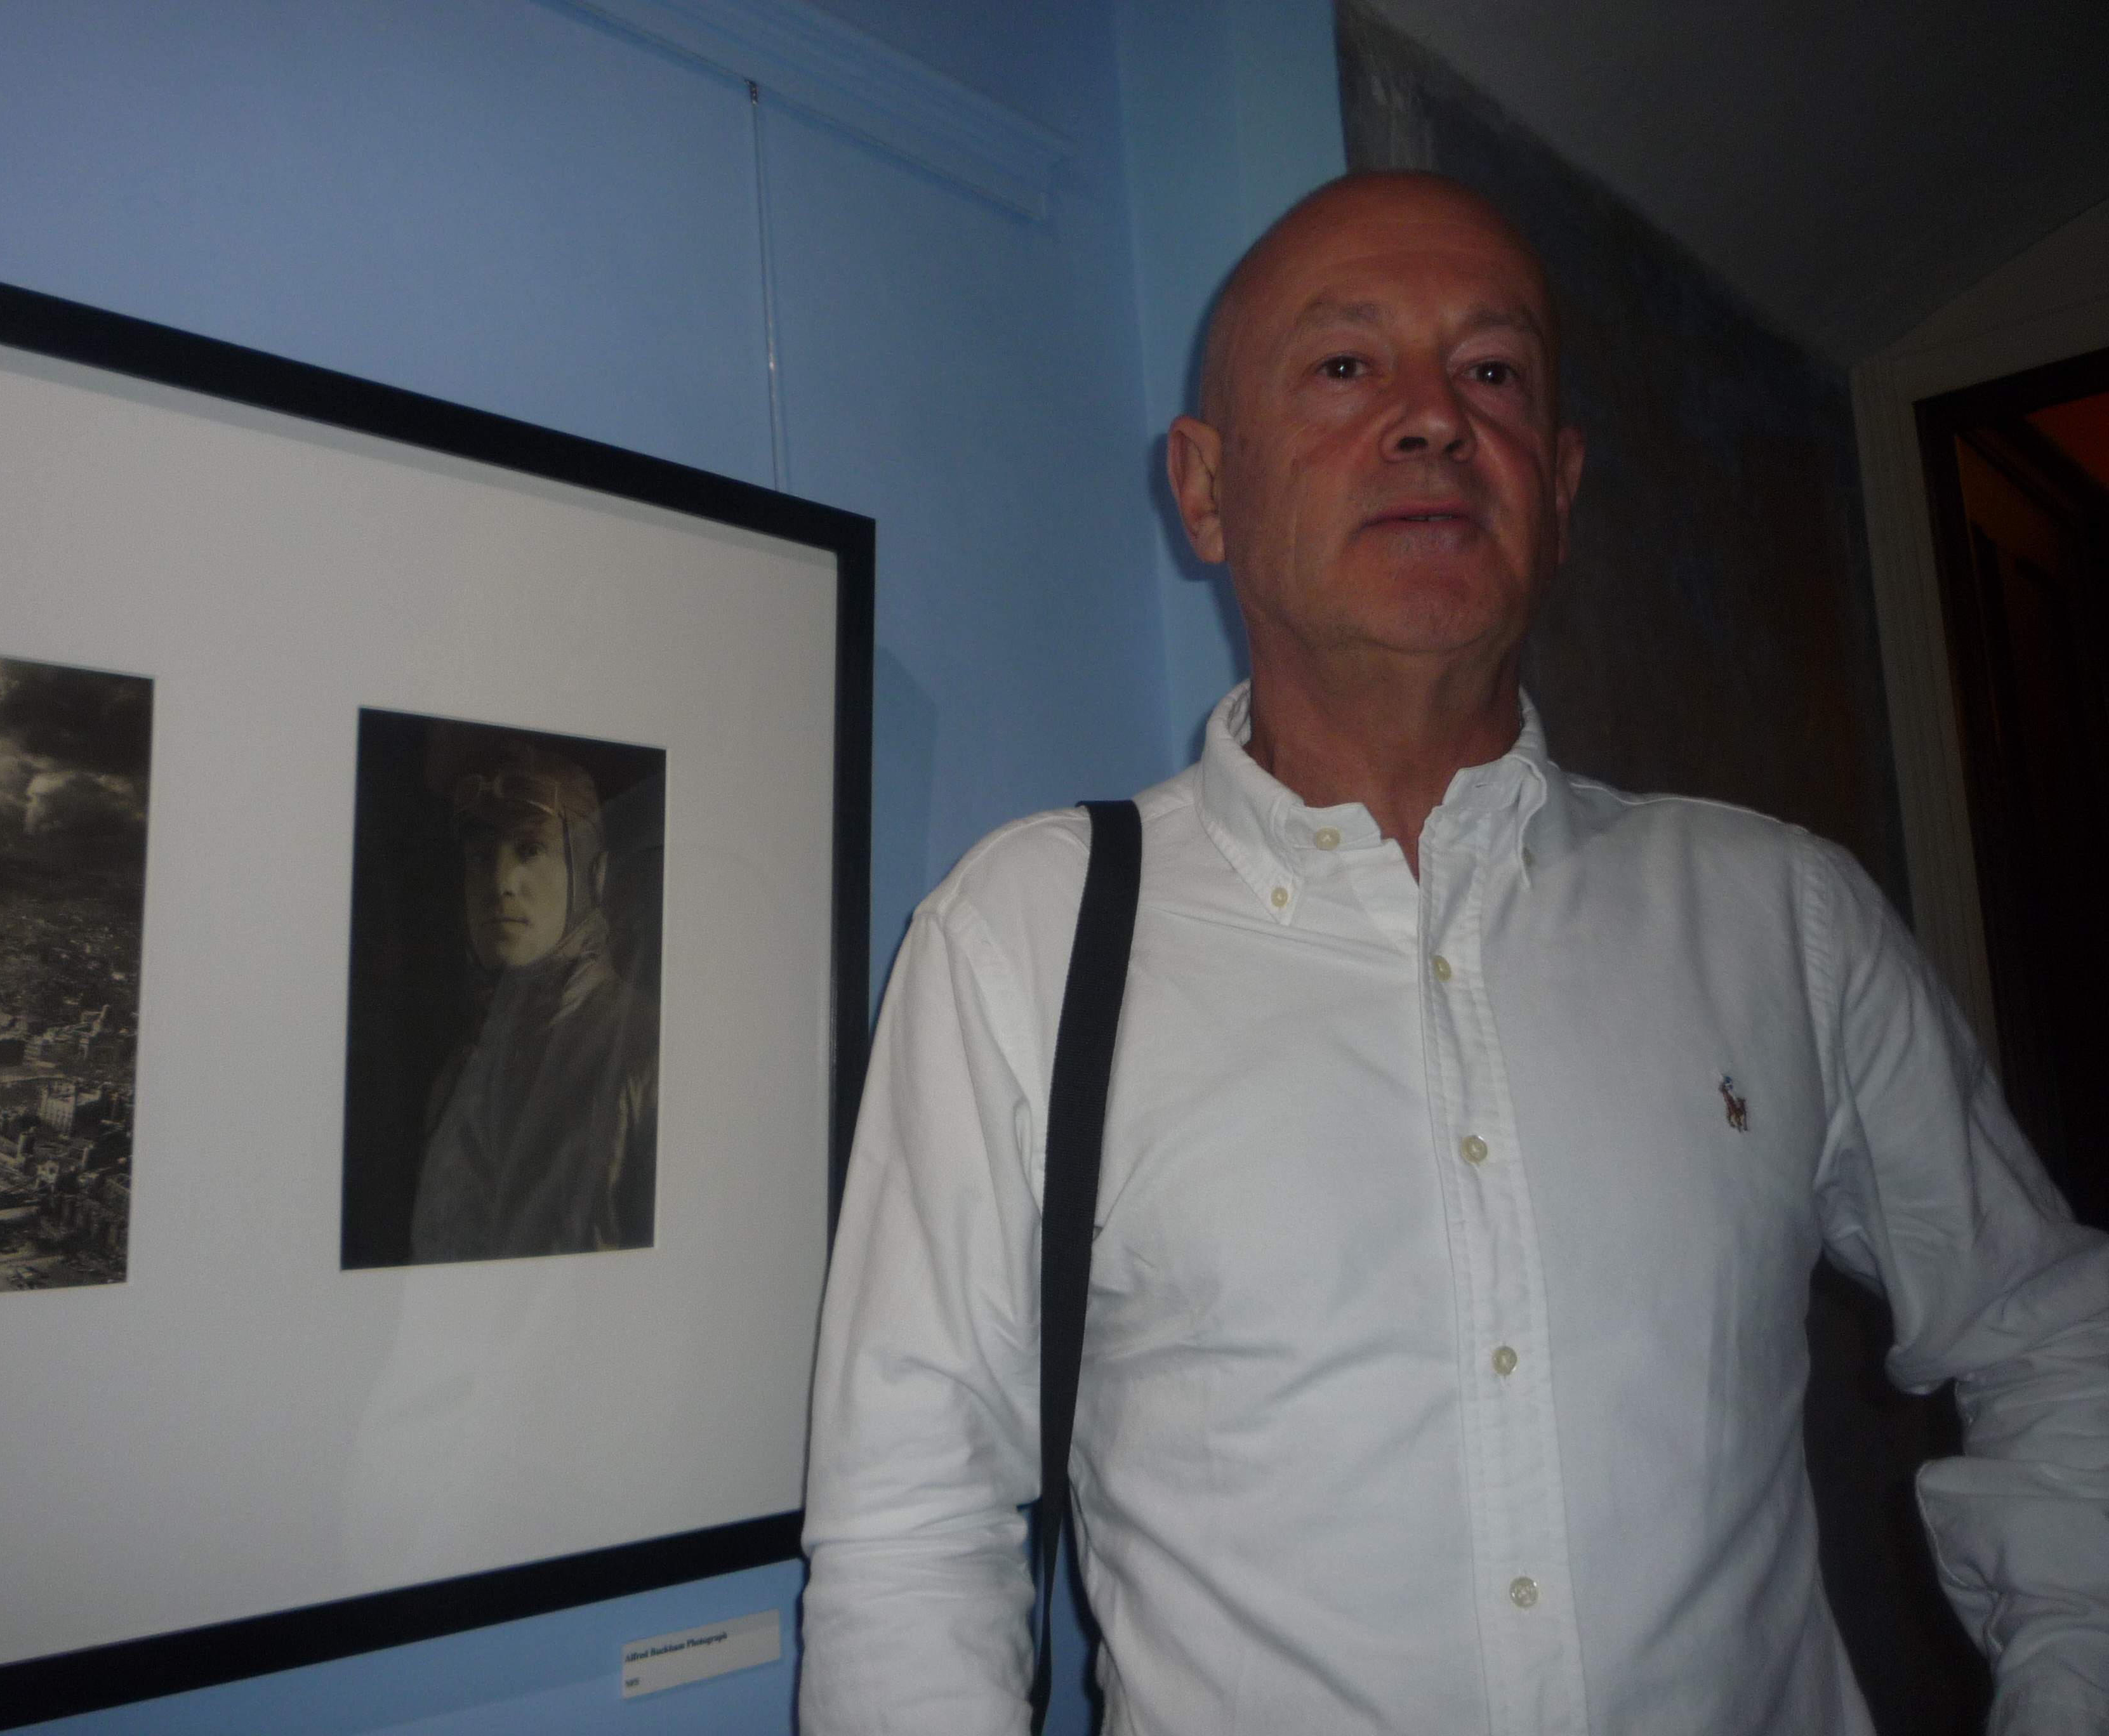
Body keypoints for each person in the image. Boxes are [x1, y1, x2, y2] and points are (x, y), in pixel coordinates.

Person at [800, 173, 2109, 1733]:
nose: (1432, 418)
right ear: (1205, 490)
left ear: (1560, 488)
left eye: (1491, 371)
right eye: (1345, 365)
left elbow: (2052, 1339)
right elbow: (909, 1537)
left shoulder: (1786, 915)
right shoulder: (1021, 942)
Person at [409, 737, 656, 1262]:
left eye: (529, 850)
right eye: (482, 856)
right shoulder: (460, 1074)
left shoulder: (648, 1052)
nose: (500, 882)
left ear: (594, 876)